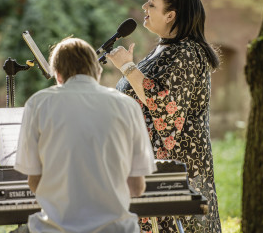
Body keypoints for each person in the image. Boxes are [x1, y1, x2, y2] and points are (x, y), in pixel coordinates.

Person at [107, 0, 222, 232]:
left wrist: (128, 67)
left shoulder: (188, 52)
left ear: (170, 15)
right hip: (147, 167)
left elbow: (165, 109)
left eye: (152, 3)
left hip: (179, 171)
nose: (144, 6)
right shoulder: (164, 49)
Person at [13, 37, 157, 233]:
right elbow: (137, 188)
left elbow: (35, 183)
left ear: (58, 75)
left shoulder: (38, 103)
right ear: (97, 72)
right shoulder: (128, 106)